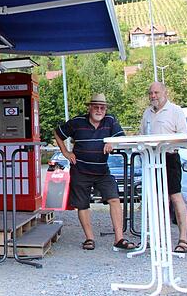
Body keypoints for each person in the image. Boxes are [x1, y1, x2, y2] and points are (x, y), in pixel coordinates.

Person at [53, 93, 135, 251]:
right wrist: (66, 153)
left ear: (106, 109)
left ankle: (119, 238)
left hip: (102, 170)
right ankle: (89, 238)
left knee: (114, 199)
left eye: (102, 107)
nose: (99, 110)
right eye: (96, 107)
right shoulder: (77, 122)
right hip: (81, 170)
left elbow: (122, 139)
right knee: (83, 205)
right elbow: (57, 133)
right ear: (89, 108)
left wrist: (113, 142)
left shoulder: (110, 121)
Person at [139, 81, 187, 254]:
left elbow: (184, 138)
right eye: (150, 93)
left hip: (169, 158)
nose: (153, 96)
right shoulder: (147, 113)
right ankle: (159, 238)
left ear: (164, 93)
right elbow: (141, 136)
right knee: (156, 200)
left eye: (156, 92)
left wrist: (166, 143)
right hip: (152, 160)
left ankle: (183, 239)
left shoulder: (175, 111)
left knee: (175, 197)